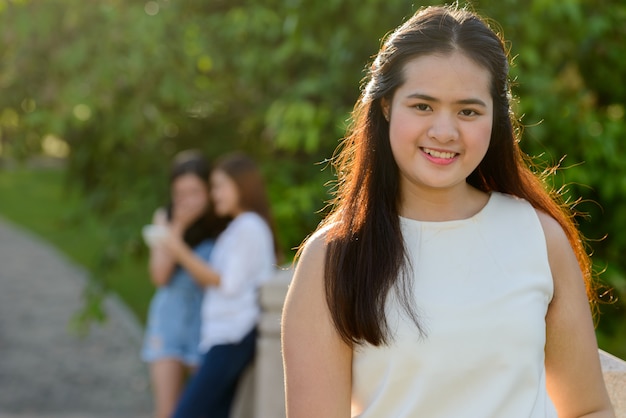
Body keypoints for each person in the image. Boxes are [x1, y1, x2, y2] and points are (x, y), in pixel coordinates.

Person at [281, 5, 615, 418]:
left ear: (496, 117)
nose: (444, 131)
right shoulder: (332, 257)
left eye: (468, 111)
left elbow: (588, 409)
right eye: (422, 106)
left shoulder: (538, 236)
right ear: (385, 106)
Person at [170, 152, 279, 418]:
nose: (214, 194)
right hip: (223, 335)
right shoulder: (238, 227)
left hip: (234, 335)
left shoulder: (249, 226)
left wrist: (176, 247)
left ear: (240, 187)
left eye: (219, 186)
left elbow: (227, 283)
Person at [141, 150, 227, 418]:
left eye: (194, 192)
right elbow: (160, 276)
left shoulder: (223, 224)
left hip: (205, 326)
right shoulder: (165, 220)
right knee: (167, 410)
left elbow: (213, 282)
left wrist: (176, 247)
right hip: (169, 322)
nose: (186, 200)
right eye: (180, 193)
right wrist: (177, 227)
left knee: (203, 409)